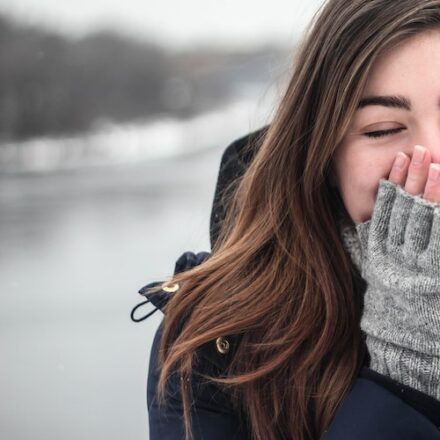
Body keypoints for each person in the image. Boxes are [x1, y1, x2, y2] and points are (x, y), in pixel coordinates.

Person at [131, 0, 440, 438]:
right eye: (381, 129)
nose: (432, 162)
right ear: (325, 156)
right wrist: (408, 368)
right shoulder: (216, 343)